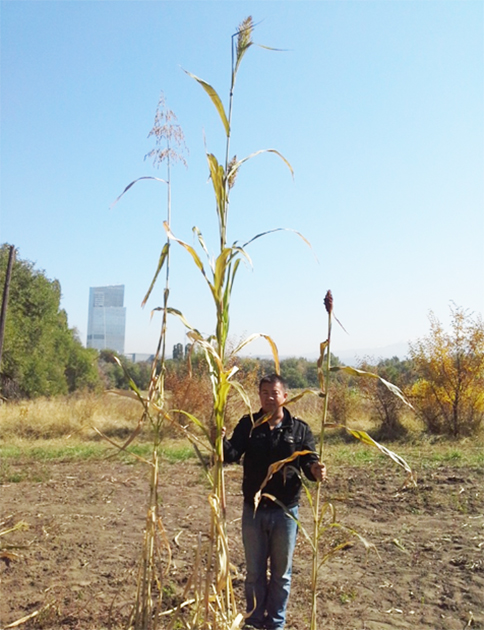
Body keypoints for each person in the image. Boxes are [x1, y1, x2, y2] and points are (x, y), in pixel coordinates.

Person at [223, 374, 326, 630]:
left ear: (285, 396)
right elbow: (232, 454)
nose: (269, 397)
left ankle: (276, 624)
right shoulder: (249, 425)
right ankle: (254, 621)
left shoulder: (299, 429)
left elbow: (308, 462)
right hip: (254, 511)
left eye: (274, 392)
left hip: (285, 513)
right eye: (264, 392)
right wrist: (219, 440)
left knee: (281, 575)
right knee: (255, 573)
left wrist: (315, 471)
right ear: (259, 396)